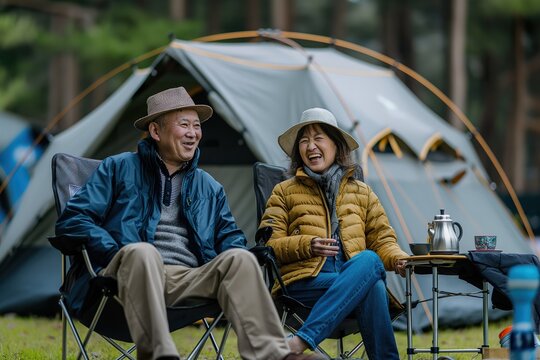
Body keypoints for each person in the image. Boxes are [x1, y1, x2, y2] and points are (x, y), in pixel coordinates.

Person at [55, 87, 322, 360]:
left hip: (188, 278)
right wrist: (112, 251)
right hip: (126, 273)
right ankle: (161, 355)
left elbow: (230, 238)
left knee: (240, 259)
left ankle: (274, 354)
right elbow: (73, 220)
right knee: (142, 252)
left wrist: (244, 253)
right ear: (156, 132)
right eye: (184, 125)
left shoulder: (209, 187)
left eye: (196, 125)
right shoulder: (119, 168)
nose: (193, 133)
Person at [259, 107, 408, 359]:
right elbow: (269, 246)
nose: (310, 146)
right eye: (304, 141)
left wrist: (398, 259)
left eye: (318, 138)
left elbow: (383, 239)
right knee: (371, 274)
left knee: (370, 272)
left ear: (336, 146)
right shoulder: (283, 191)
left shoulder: (362, 192)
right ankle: (307, 339)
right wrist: (309, 244)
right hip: (304, 283)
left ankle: (301, 340)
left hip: (353, 276)